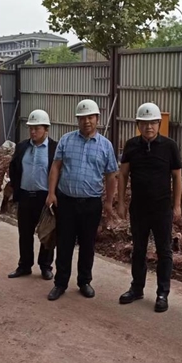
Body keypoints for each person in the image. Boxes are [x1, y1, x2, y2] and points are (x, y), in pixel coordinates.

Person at [46, 99, 118, 301]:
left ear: (97, 119)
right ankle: (60, 283)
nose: (87, 121)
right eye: (83, 118)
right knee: (64, 243)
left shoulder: (105, 146)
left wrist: (108, 202)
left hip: (91, 204)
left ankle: (84, 281)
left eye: (90, 117)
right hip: (66, 202)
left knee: (87, 245)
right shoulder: (66, 140)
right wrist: (51, 193)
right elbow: (56, 167)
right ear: (77, 120)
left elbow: (111, 176)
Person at [116, 103, 182, 313]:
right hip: (139, 208)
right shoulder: (131, 146)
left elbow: (177, 176)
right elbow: (123, 175)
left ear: (159, 124)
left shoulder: (170, 146)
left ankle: (162, 293)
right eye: (144, 123)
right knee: (139, 249)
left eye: (153, 122)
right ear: (138, 125)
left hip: (162, 209)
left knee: (164, 251)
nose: (149, 127)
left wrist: (177, 205)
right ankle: (137, 288)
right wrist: (121, 202)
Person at [7, 109, 58, 280]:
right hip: (25, 196)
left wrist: (54, 194)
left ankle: (45, 266)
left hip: (45, 197)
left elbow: (59, 172)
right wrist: (15, 190)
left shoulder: (54, 148)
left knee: (47, 233)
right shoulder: (22, 147)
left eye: (37, 128)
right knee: (25, 233)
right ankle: (24, 265)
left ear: (46, 129)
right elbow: (14, 168)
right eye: (31, 128)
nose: (33, 132)